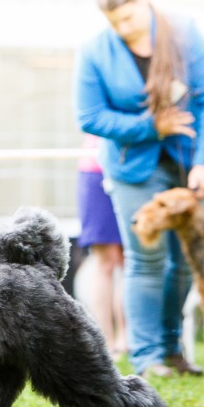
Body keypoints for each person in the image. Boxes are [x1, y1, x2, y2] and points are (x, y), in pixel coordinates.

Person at [75, 0, 204, 379]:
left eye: (128, 16)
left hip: (188, 162)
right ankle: (147, 357)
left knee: (186, 260)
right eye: (114, 21)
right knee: (146, 258)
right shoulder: (94, 52)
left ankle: (173, 349)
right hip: (132, 169)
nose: (124, 28)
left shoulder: (185, 32)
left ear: (143, 0)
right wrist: (149, 127)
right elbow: (89, 117)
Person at [76, 133, 126, 358]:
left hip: (135, 169)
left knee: (131, 260)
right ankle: (105, 340)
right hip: (96, 170)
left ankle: (127, 339)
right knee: (105, 261)